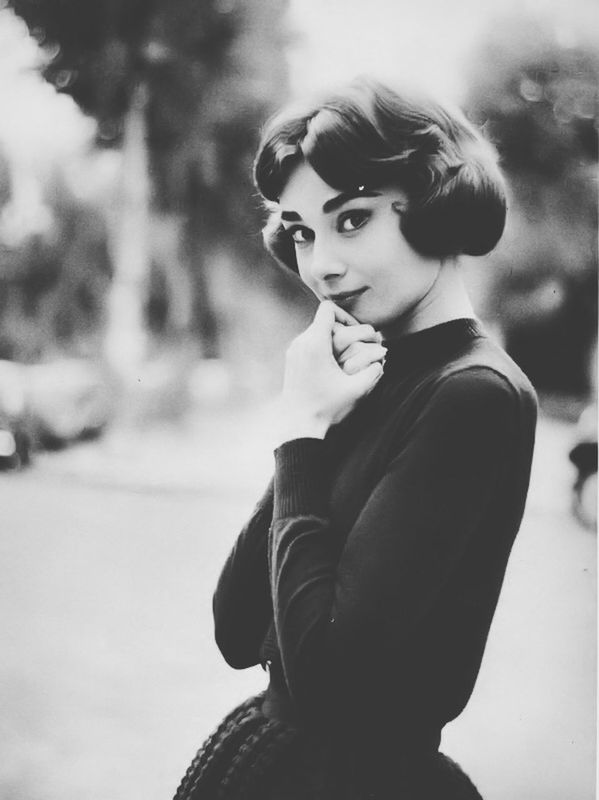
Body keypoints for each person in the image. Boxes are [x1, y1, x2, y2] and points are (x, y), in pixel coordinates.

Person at [174, 77, 538, 800]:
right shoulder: (367, 375)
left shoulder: (472, 394)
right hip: (272, 759)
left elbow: (329, 681)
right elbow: (236, 627)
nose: (321, 265)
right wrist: (307, 426)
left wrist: (304, 440)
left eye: (352, 220)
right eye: (302, 231)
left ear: (438, 205)